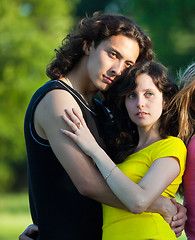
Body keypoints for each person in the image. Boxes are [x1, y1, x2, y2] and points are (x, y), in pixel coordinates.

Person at [22, 12, 185, 240]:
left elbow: (129, 174)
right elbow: (88, 183)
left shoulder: (101, 110)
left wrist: (172, 205)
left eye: (128, 63)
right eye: (112, 54)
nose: (118, 69)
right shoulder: (58, 99)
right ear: (89, 46)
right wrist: (156, 204)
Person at [60, 60, 187, 239]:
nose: (140, 103)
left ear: (165, 100)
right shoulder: (121, 150)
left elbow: (139, 202)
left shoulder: (171, 146)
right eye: (132, 95)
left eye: (149, 94)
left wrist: (93, 149)